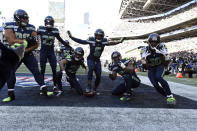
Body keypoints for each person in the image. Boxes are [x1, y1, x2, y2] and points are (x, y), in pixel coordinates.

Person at [3, 9, 53, 102]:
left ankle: (44, 90)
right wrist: (26, 41)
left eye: (26, 18)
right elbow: (11, 41)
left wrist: (25, 50)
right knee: (10, 72)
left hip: (27, 52)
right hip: (15, 54)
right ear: (17, 18)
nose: (26, 20)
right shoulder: (9, 26)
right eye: (23, 18)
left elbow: (36, 44)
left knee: (36, 71)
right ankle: (11, 94)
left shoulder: (31, 28)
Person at [67, 29, 124, 96]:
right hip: (90, 59)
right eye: (97, 36)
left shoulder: (104, 41)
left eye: (100, 36)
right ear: (95, 35)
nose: (98, 37)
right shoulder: (91, 40)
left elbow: (111, 43)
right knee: (90, 70)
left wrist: (119, 41)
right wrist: (72, 37)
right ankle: (89, 86)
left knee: (99, 76)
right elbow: (81, 41)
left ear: (102, 36)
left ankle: (94, 89)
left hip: (97, 60)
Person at [37, 16, 72, 92]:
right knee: (42, 69)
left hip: (51, 52)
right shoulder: (41, 29)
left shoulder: (55, 31)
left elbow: (60, 39)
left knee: (54, 69)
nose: (49, 24)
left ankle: (54, 86)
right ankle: (42, 86)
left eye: (50, 22)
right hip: (43, 52)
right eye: (48, 22)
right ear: (45, 22)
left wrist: (68, 46)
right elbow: (33, 35)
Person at [140, 33, 176, 107]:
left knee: (158, 77)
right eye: (152, 42)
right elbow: (146, 67)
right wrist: (144, 60)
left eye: (155, 42)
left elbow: (166, 62)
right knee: (155, 85)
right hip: (151, 68)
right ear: (149, 42)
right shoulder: (144, 50)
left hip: (160, 66)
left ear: (158, 42)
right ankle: (168, 96)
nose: (153, 43)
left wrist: (163, 55)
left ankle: (170, 96)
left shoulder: (162, 47)